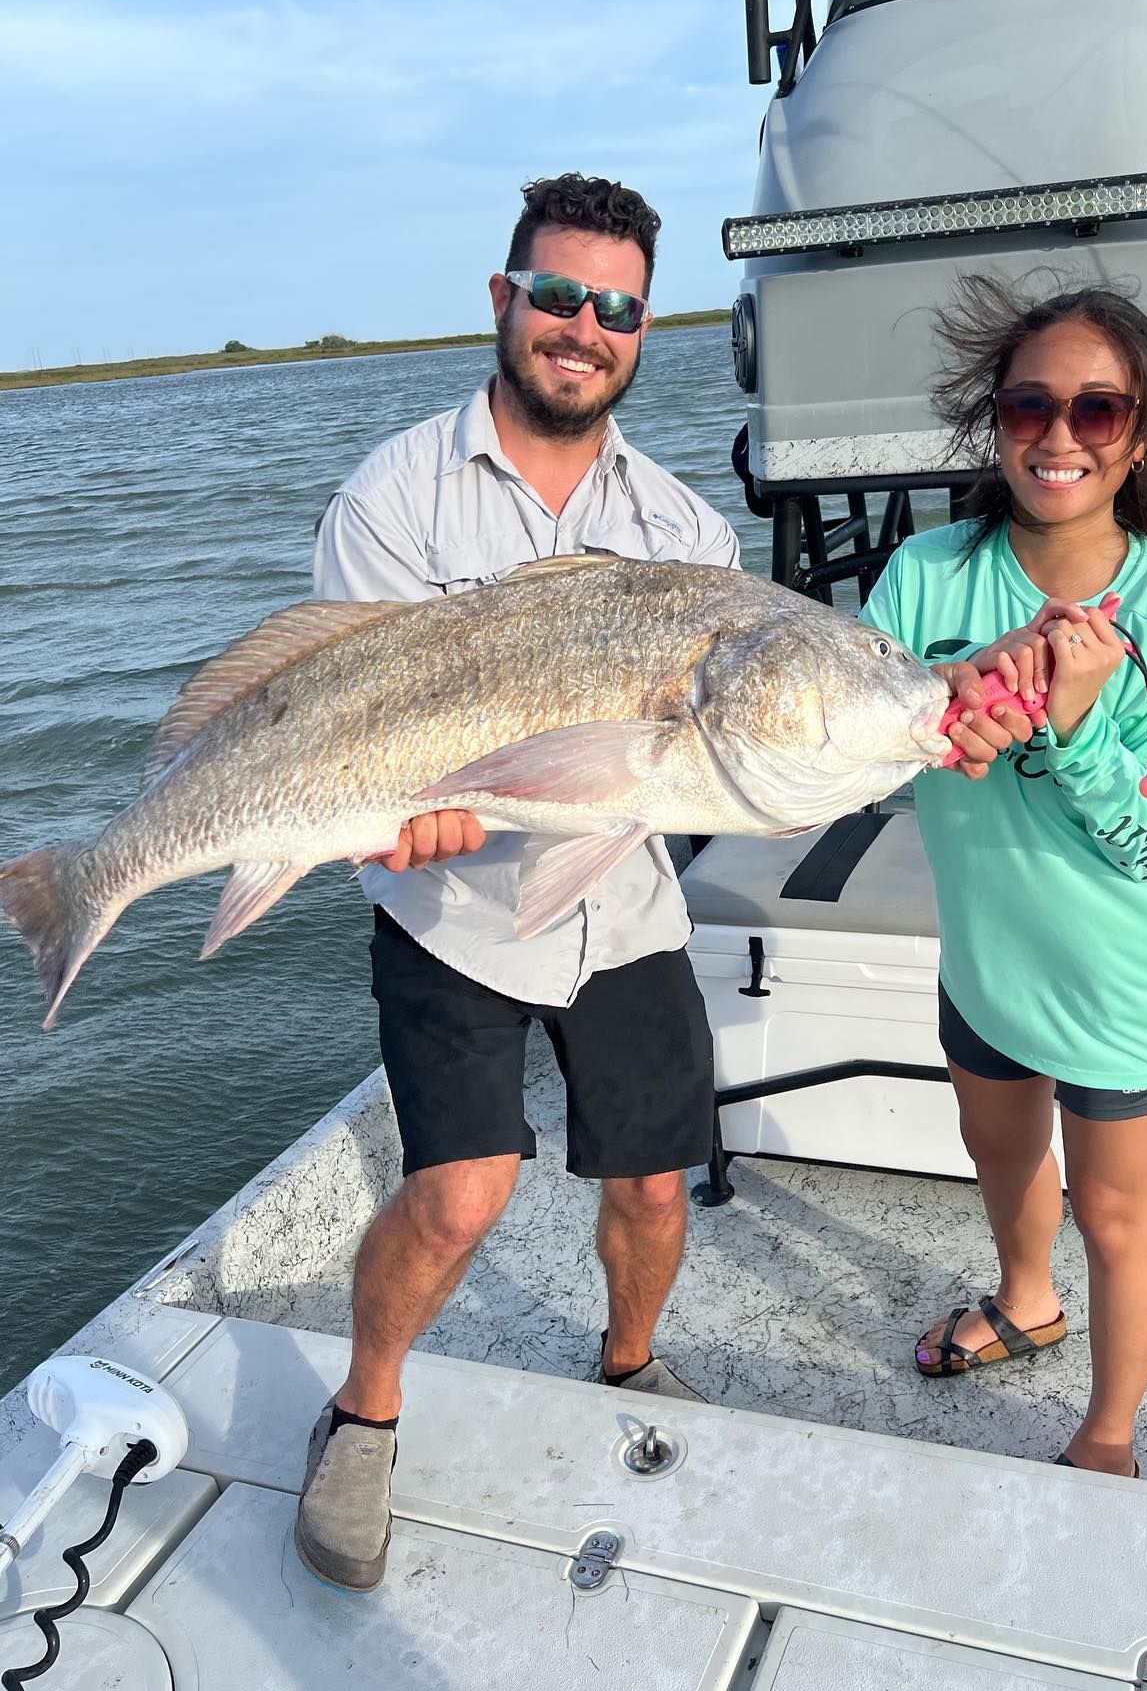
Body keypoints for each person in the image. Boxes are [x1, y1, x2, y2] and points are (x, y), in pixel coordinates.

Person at [295, 173, 740, 1592]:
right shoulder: (393, 499)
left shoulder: (686, 532)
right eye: (557, 295)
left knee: (657, 1189)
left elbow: (707, 752)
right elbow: (346, 722)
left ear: (641, 332)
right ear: (504, 301)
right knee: (460, 1197)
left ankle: (628, 1359)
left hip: (625, 905)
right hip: (458, 911)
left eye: (614, 308)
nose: (581, 327)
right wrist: (389, 814)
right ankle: (365, 1410)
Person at [862, 278, 1147, 1478]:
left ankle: (1108, 1433)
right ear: (995, 421)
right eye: (1030, 405)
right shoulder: (927, 575)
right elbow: (873, 726)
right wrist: (952, 705)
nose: (1058, 436)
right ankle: (1025, 1298)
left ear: (1139, 435)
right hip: (987, 961)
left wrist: (1070, 727)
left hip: (1118, 974)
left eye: (1098, 411)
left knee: (1117, 1211)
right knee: (998, 1156)